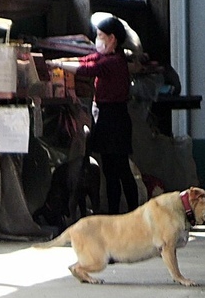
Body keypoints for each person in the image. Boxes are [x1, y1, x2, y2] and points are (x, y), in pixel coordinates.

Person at [47, 15, 138, 214]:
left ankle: (133, 211)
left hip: (115, 118)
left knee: (121, 168)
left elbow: (87, 69)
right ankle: (115, 214)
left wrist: (58, 65)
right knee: (109, 170)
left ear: (112, 38)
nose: (97, 40)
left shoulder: (115, 62)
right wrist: (60, 61)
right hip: (104, 117)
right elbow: (85, 60)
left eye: (100, 35)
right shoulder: (105, 56)